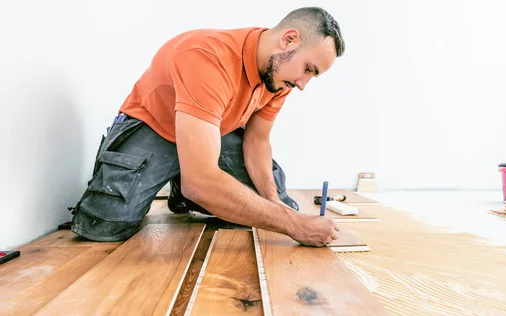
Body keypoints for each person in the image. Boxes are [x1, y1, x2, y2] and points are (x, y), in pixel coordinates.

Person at [69, 7, 346, 247]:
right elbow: (201, 182)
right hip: (153, 127)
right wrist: (294, 225)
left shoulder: (279, 75)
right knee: (103, 225)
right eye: (308, 69)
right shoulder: (208, 58)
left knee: (279, 205)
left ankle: (183, 183)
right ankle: (185, 177)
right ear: (288, 40)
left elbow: (257, 141)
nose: (303, 84)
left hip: (212, 131)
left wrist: (275, 203)